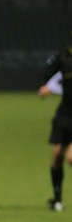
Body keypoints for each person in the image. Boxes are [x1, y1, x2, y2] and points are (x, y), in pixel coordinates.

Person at [38, 38, 72, 212]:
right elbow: (48, 71)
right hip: (65, 112)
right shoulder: (64, 56)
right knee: (57, 155)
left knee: (71, 158)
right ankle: (57, 200)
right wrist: (43, 85)